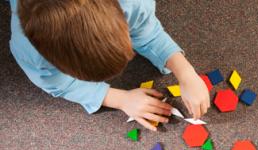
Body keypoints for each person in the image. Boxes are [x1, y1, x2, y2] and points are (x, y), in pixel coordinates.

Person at [9, 0, 210, 131]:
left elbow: (145, 30)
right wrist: (119, 99)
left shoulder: (133, 3)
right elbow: (57, 82)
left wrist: (185, 72)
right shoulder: (29, 50)